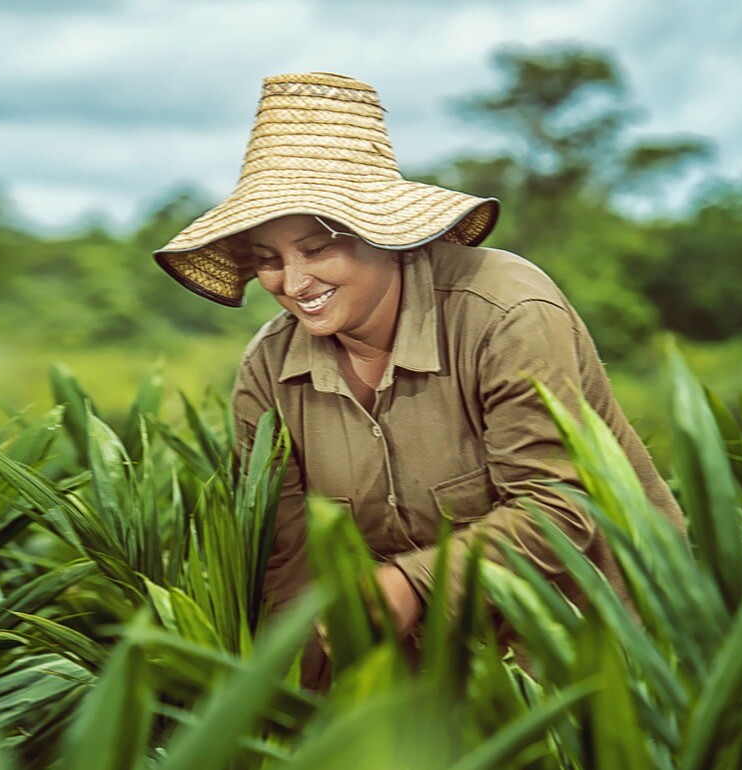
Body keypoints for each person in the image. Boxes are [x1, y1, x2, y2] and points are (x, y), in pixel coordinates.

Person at [151, 72, 686, 690]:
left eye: (316, 249)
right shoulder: (269, 370)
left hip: (596, 654)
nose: (294, 285)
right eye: (269, 260)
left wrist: (411, 583)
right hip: (427, 680)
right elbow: (287, 558)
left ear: (386, 234)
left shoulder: (505, 314)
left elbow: (558, 510)